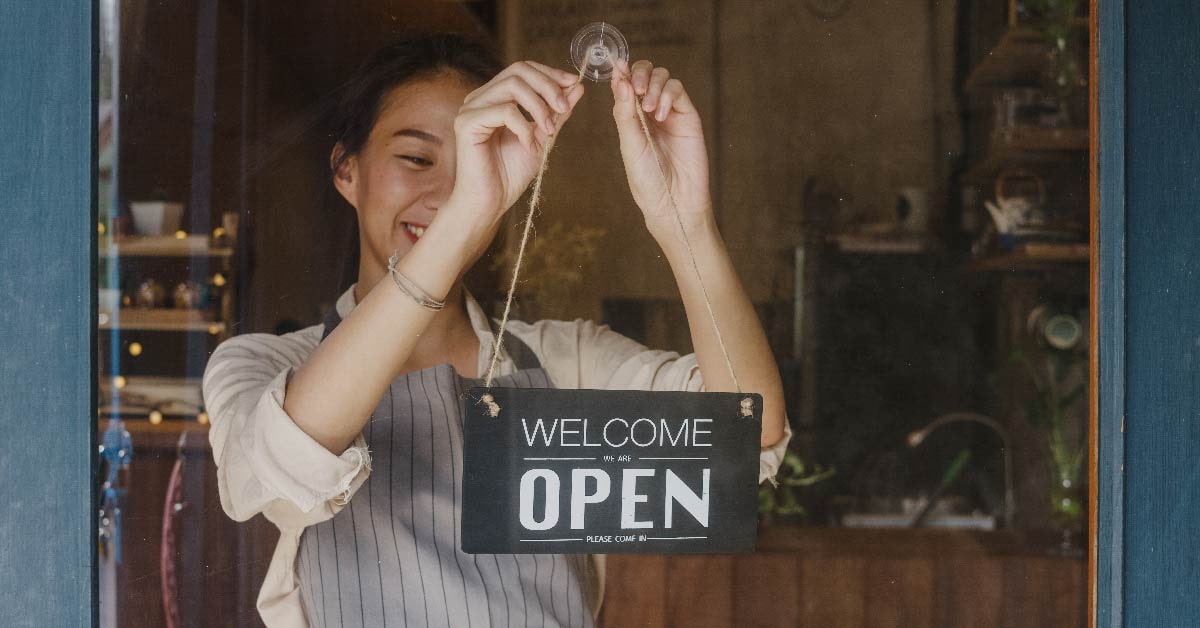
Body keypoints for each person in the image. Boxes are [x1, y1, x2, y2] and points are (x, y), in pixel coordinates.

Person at [203, 33, 791, 628]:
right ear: (345, 170)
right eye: (417, 158)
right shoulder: (262, 367)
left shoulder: (567, 361)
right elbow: (283, 463)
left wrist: (684, 220)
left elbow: (743, 438)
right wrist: (459, 219)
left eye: (473, 163)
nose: (446, 192)